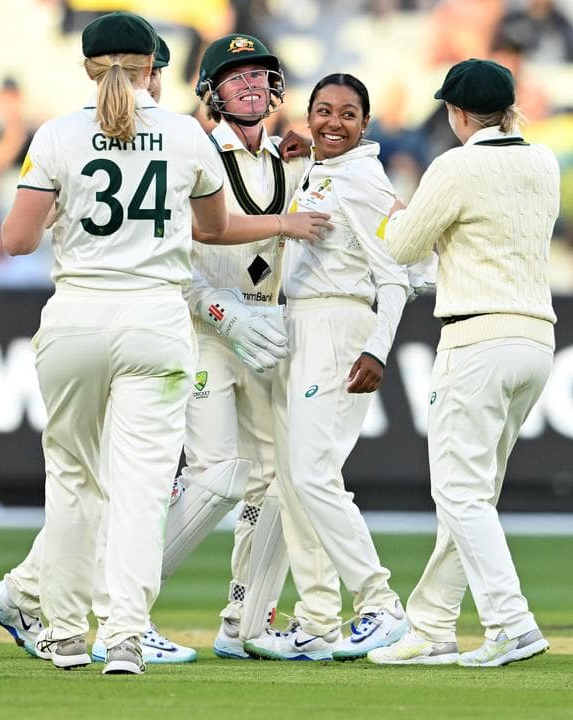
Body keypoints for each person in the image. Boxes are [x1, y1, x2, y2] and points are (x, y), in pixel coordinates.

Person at [0, 12, 235, 676]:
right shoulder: (187, 135)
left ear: (88, 70)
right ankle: (125, 636)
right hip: (155, 320)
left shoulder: (57, 134)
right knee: (140, 491)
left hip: (75, 316)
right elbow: (212, 227)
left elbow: (15, 241)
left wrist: (61, 204)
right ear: (153, 69)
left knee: (74, 483)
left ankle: (67, 634)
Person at [374, 58, 556, 668]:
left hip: (477, 338)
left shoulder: (455, 165)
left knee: (459, 493)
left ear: (456, 114)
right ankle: (431, 625)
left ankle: (511, 621)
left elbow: (402, 248)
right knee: (472, 494)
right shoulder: (544, 161)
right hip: (535, 338)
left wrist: (392, 213)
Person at [244, 73, 426, 662]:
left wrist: (377, 347)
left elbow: (396, 273)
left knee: (313, 473)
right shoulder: (324, 171)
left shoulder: (365, 181)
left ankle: (379, 603)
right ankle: (319, 620)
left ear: (366, 125)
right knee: (298, 480)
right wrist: (299, 150)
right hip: (299, 325)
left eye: (348, 115)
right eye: (323, 111)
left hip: (337, 327)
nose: (333, 124)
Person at [184, 33, 342, 661]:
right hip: (201, 330)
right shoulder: (190, 152)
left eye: (259, 75)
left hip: (270, 331)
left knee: (278, 480)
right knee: (216, 478)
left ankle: (246, 622)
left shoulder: (290, 159)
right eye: (235, 76)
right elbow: (183, 246)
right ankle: (126, 614)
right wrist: (218, 312)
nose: (250, 84)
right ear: (211, 93)